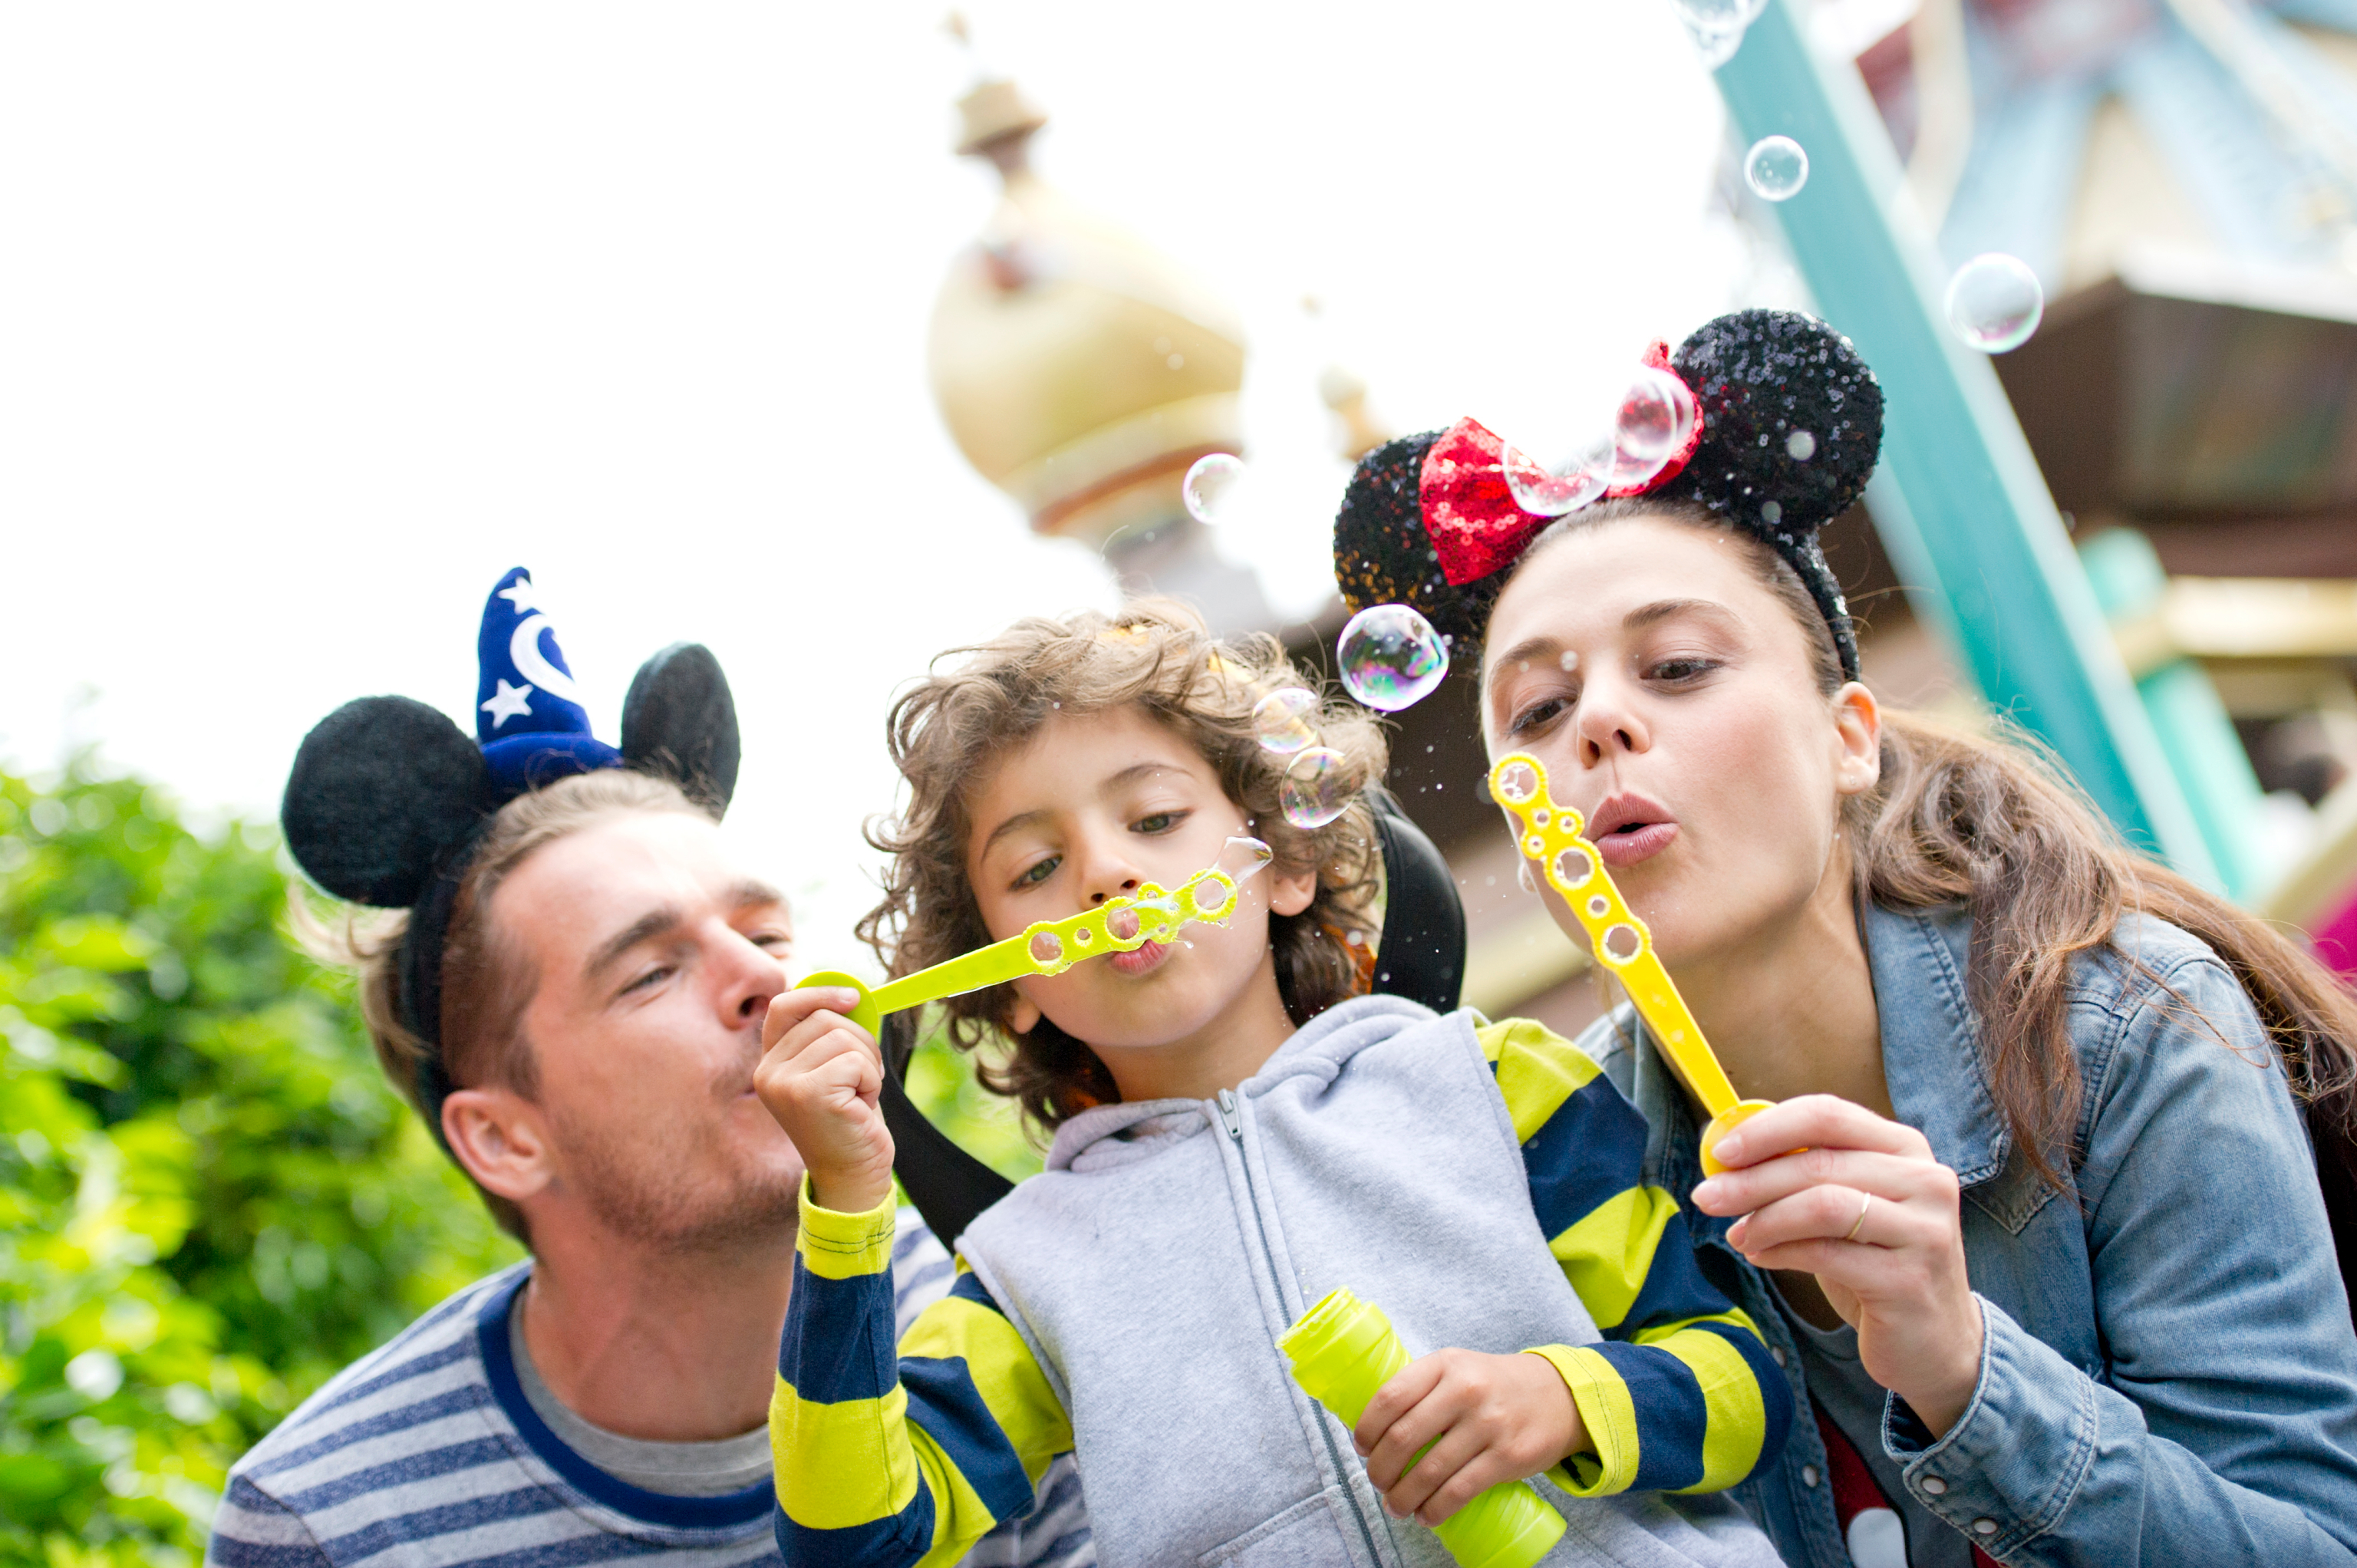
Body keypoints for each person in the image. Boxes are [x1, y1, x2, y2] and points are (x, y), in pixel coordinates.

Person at [1330, 307, 2357, 1568]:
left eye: (1681, 667)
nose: (1597, 724)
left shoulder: (2125, 1022)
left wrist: (1965, 1368)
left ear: (1849, 738)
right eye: (1539, 706)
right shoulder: (1543, 1166)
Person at [756, 601, 1794, 1568]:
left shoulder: (1497, 1086)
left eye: (1155, 819)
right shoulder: (1030, 1277)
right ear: (1007, 983)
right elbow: (857, 1544)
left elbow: (1745, 1384)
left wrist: (1562, 1401)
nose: (1107, 875)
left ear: (1285, 865)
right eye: (1035, 869)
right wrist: (844, 1200)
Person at [206, 570, 1088, 1568]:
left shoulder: (1018, 1341)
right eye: (651, 972)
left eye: (765, 930)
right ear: (504, 1137)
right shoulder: (330, 1522)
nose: (764, 978)